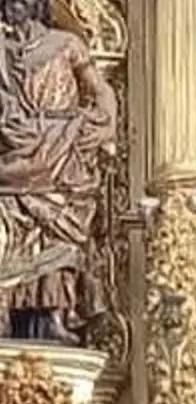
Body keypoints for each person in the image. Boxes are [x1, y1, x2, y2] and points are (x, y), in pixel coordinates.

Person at [0, 0, 116, 343]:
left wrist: (105, 124)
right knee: (10, 237)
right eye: (7, 3)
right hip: (13, 157)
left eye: (20, 2)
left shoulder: (67, 45)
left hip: (62, 154)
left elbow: (100, 90)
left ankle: (53, 314)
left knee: (59, 237)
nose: (12, 9)